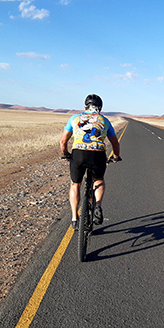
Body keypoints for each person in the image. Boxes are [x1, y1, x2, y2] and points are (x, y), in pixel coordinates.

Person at [60, 94, 121, 230]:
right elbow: (115, 143)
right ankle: (98, 204)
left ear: (85, 107)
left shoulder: (74, 118)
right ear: (100, 108)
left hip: (78, 154)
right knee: (98, 180)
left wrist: (65, 154)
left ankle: (75, 218)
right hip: (98, 154)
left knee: (75, 184)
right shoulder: (104, 121)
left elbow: (63, 141)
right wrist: (116, 156)